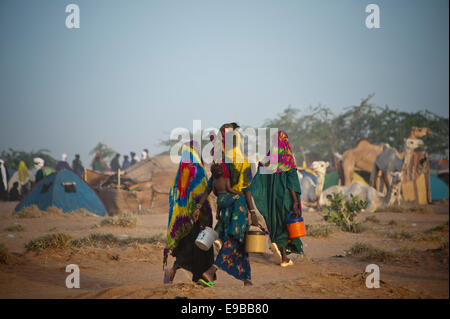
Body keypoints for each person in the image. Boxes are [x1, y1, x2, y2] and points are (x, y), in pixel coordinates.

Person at [163, 141, 215, 286]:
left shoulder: (182, 171)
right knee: (201, 247)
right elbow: (202, 192)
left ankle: (174, 270)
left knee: (188, 245)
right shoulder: (198, 169)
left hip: (185, 218)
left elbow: (176, 196)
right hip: (199, 215)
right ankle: (204, 278)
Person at [251, 130, 304, 267]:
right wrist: (295, 202)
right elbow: (292, 183)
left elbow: (260, 176)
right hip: (286, 198)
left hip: (272, 200)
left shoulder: (269, 161)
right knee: (287, 225)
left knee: (276, 222)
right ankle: (284, 258)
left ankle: (277, 245)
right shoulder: (288, 160)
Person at [194, 163, 253, 286]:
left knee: (241, 242)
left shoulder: (221, 168)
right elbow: (247, 190)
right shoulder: (242, 164)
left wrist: (198, 207)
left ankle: (246, 278)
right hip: (238, 207)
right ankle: (211, 272)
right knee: (235, 240)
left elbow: (209, 190)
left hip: (225, 209)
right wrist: (252, 211)